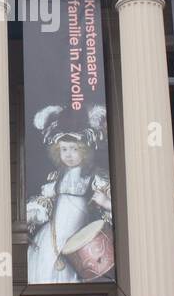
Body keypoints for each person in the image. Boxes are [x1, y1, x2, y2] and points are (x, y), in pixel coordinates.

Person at [25, 105, 112, 283]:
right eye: (64, 149)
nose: (69, 155)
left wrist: (104, 202)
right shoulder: (56, 176)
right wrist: (34, 212)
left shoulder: (93, 174)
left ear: (84, 150)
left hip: (77, 227)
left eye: (74, 149)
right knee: (47, 258)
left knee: (73, 260)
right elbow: (46, 201)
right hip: (55, 229)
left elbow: (113, 204)